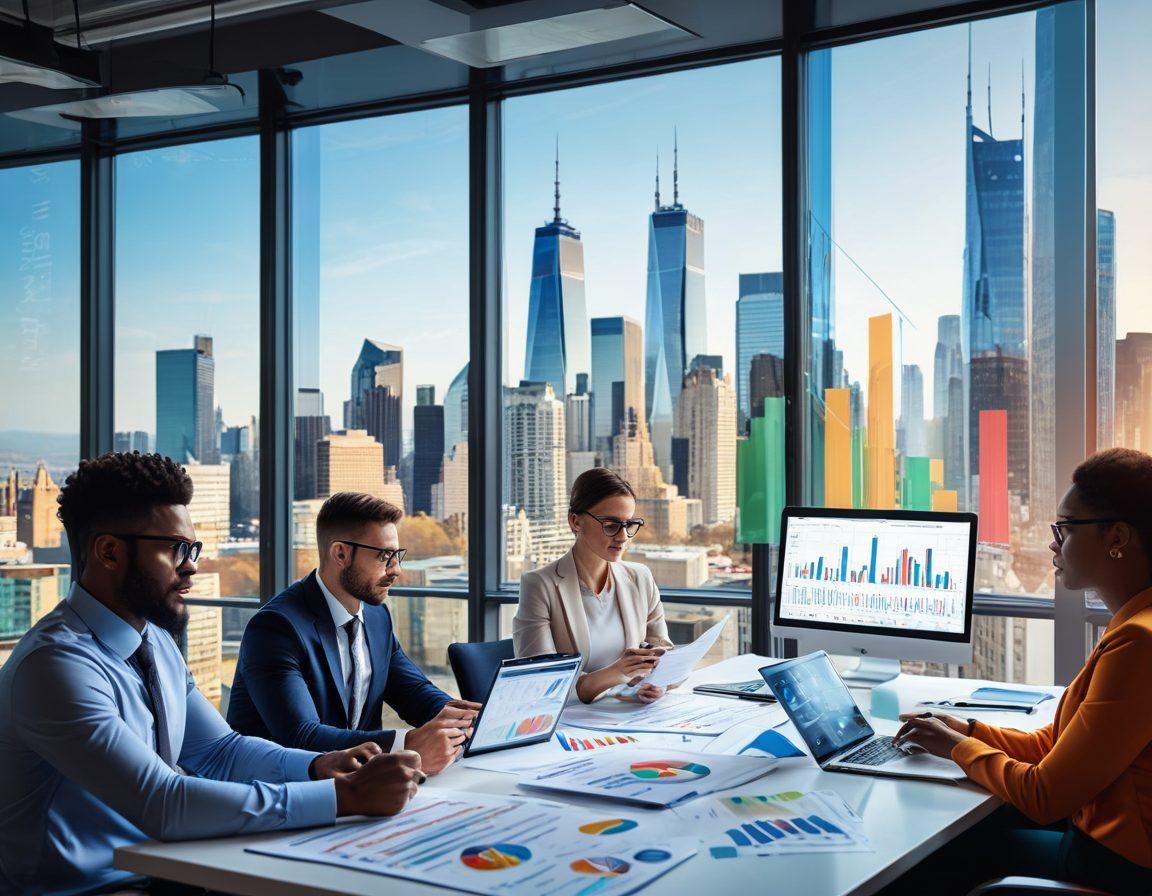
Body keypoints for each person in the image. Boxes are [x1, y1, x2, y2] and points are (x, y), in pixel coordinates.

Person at [0, 453, 423, 896]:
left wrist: (319, 767)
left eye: (192, 549)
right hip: (85, 890)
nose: (192, 565)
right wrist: (345, 796)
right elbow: (162, 802)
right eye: (175, 549)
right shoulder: (55, 667)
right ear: (109, 552)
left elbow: (221, 752)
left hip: (169, 869)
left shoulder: (155, 642)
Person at [889, 448, 1152, 896]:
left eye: (1065, 528)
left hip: (1117, 867)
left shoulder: (1138, 644)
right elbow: (1055, 748)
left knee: (934, 858)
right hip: (1107, 842)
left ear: (1118, 537)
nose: (1054, 542)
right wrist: (967, 729)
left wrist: (957, 749)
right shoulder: (1134, 622)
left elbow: (1045, 796)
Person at [228, 492, 479, 775]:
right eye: (384, 556)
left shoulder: (376, 615)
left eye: (397, 556)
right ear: (341, 554)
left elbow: (413, 691)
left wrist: (466, 719)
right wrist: (406, 744)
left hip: (357, 788)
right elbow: (302, 736)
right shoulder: (276, 628)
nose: (396, 570)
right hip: (278, 793)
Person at [514, 468, 673, 704]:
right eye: (611, 525)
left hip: (630, 714)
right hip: (571, 722)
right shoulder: (540, 585)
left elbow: (666, 653)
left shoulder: (640, 578)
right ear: (575, 521)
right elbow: (541, 683)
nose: (623, 537)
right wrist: (615, 673)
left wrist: (659, 681)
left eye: (629, 524)